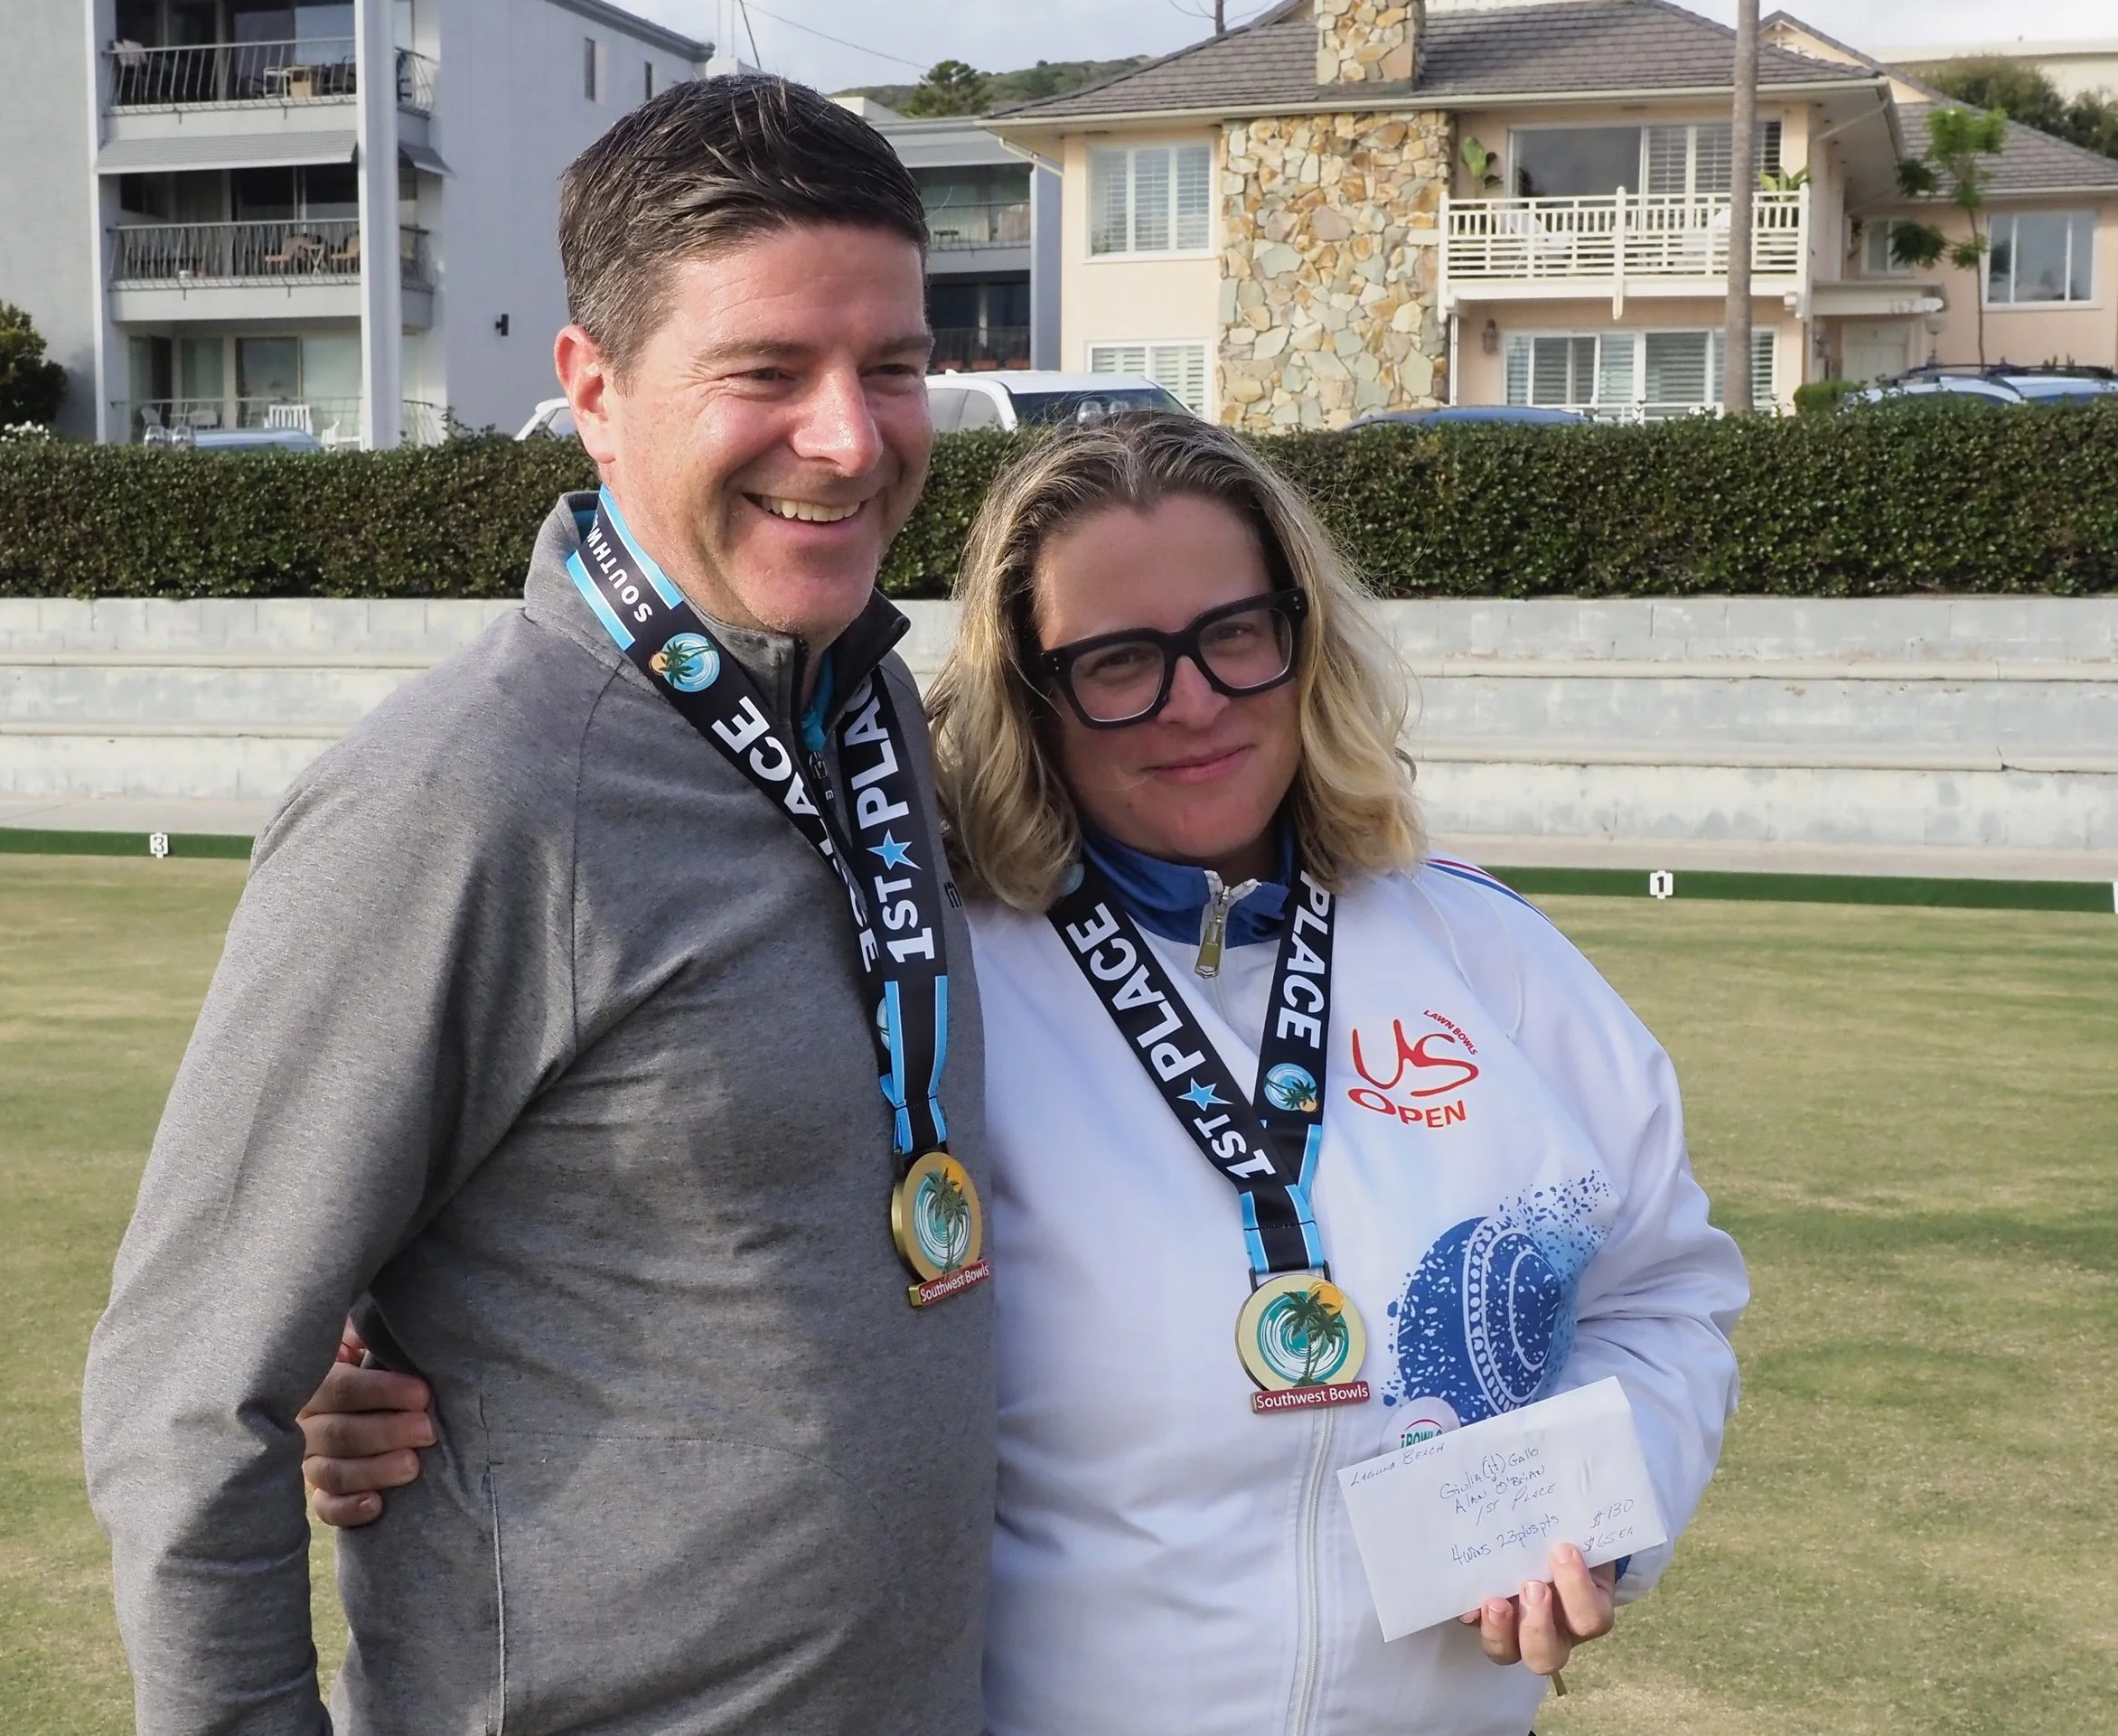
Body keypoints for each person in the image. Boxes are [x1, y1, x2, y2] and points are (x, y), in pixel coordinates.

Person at [305, 412, 1750, 1731]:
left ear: (1306, 638)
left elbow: (1664, 1295)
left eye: (1236, 631)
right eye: (1115, 662)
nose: (1192, 703)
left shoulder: (1490, 961)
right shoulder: (930, 984)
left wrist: (1605, 1513)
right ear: (1029, 690)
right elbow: (688, 1256)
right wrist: (384, 1366)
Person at [80, 78, 997, 1736]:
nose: (851, 438)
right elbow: (185, 1405)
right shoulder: (456, 797)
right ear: (593, 390)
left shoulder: (880, 732)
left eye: (893, 368)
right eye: (767, 372)